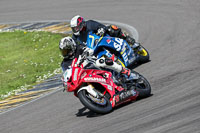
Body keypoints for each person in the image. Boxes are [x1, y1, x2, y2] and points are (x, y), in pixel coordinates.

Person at [59, 36, 138, 80]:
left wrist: (86, 53)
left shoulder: (79, 48)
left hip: (92, 64)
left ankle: (124, 71)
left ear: (72, 46)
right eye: (64, 51)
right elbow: (66, 73)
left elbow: (88, 50)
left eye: (67, 50)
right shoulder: (64, 63)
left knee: (101, 61)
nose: (66, 53)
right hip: (83, 76)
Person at [70, 15, 141, 50]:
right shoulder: (75, 36)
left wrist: (101, 30)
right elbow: (74, 47)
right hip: (92, 50)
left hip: (102, 39)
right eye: (74, 29)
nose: (76, 30)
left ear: (82, 24)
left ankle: (128, 39)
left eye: (76, 27)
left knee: (111, 28)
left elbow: (102, 26)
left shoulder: (90, 24)